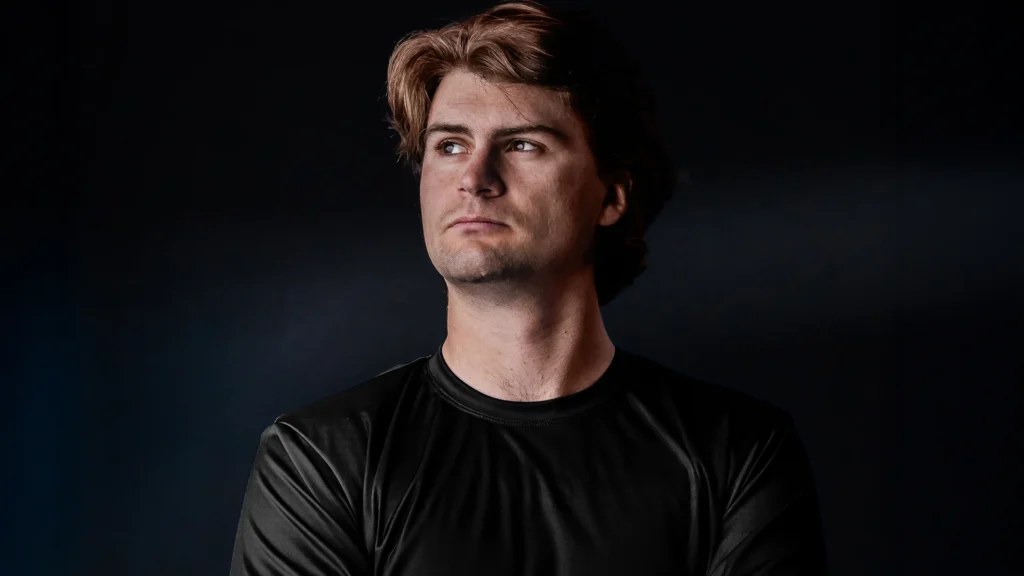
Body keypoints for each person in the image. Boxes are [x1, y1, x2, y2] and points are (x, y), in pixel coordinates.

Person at [228, 2, 828, 574]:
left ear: (612, 196)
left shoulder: (737, 452)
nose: (474, 178)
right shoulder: (322, 457)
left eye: (522, 145)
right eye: (450, 145)